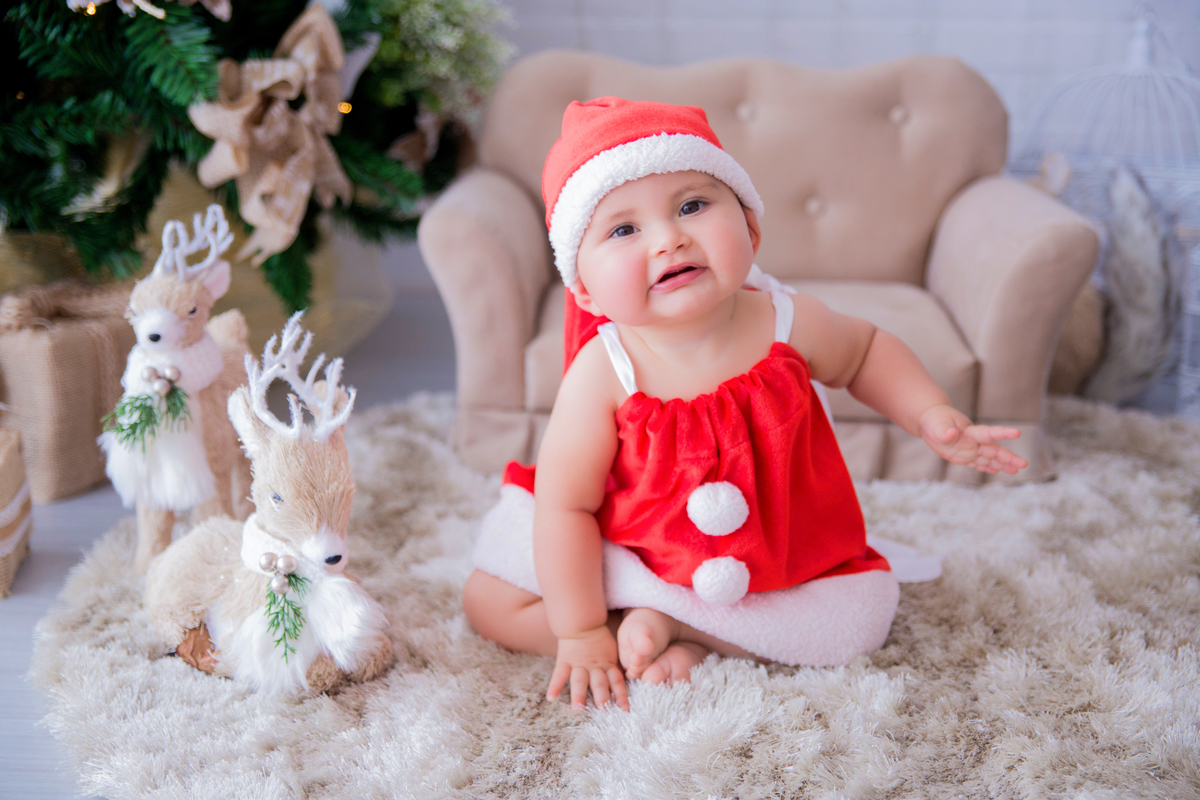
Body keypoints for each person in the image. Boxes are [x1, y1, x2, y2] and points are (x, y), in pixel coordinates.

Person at [462, 97, 1027, 712]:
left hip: (779, 560)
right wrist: (579, 631)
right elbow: (567, 505)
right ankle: (643, 621)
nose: (669, 239)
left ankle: (686, 631)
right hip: (641, 553)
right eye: (624, 229)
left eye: (693, 205)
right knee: (488, 599)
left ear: (751, 228)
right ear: (586, 289)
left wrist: (929, 413)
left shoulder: (788, 320)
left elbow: (865, 353)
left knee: (856, 626)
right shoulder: (604, 371)